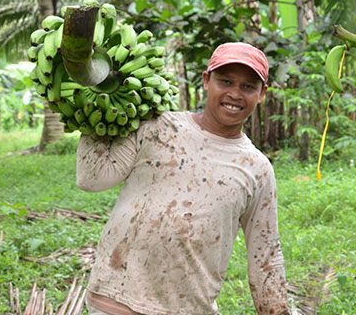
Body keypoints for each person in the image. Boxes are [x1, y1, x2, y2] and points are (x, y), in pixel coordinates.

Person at [76, 42, 290, 315]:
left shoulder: (257, 168)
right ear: (206, 81)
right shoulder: (157, 126)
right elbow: (92, 179)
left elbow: (266, 255)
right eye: (225, 81)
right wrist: (90, 110)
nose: (235, 94)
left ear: (262, 94)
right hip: (114, 299)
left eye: (248, 86)